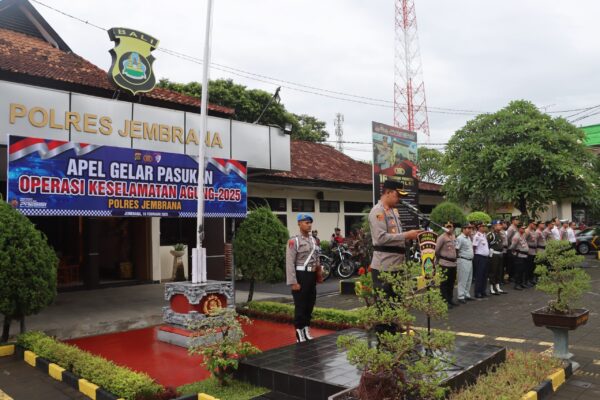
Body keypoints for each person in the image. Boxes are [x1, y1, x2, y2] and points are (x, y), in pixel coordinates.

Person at [368, 180, 420, 334]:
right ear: (389, 192)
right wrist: (406, 235)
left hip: (397, 264)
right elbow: (381, 238)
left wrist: (409, 237)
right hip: (384, 266)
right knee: (384, 304)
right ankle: (383, 338)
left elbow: (396, 236)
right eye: (398, 195)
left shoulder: (393, 211)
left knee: (396, 300)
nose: (399, 199)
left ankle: (395, 331)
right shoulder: (377, 212)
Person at [286, 213, 320, 343]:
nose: (309, 224)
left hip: (311, 275)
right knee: (300, 305)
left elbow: (317, 258)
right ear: (299, 224)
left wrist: (318, 274)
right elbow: (290, 263)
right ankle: (299, 330)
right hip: (300, 275)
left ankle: (306, 327)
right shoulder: (294, 241)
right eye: (306, 222)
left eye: (310, 222)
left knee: (310, 303)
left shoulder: (314, 240)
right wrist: (293, 282)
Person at [435, 222, 458, 307]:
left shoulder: (453, 236)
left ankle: (450, 299)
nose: (449, 228)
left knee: (451, 283)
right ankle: (444, 301)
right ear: (444, 228)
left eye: (450, 227)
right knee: (444, 283)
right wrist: (439, 259)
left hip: (453, 263)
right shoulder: (442, 237)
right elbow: (436, 250)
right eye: (447, 227)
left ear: (453, 228)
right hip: (444, 263)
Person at [455, 223, 474, 303]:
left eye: (470, 228)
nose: (470, 230)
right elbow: (456, 249)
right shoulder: (460, 238)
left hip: (469, 260)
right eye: (468, 228)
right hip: (463, 260)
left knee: (469, 278)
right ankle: (461, 296)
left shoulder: (468, 237)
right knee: (462, 279)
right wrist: (458, 259)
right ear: (464, 229)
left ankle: (466, 294)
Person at [487, 220, 507, 295]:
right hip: (494, 254)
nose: (500, 226)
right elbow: (488, 245)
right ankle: (492, 288)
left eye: (500, 225)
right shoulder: (490, 235)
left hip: (500, 254)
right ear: (494, 226)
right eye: (498, 225)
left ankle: (497, 287)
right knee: (493, 271)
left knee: (499, 271)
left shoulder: (499, 234)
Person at [472, 222, 490, 298]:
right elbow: (474, 247)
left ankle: (483, 291)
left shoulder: (484, 235)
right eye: (482, 226)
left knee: (484, 275)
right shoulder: (477, 236)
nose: (484, 227)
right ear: (478, 227)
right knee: (479, 275)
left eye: (484, 226)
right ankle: (477, 292)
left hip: (485, 257)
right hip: (479, 257)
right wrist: (475, 256)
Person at [509, 223, 529, 290]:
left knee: (523, 270)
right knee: (518, 271)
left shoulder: (522, 235)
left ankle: (521, 283)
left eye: (524, 228)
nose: (524, 229)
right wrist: (515, 252)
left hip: (524, 256)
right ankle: (517, 285)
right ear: (518, 229)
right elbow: (512, 246)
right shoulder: (516, 236)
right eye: (522, 228)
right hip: (519, 256)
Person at [505, 216, 520, 282]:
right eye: (516, 220)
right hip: (511, 248)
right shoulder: (511, 228)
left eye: (518, 220)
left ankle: (512, 276)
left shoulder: (516, 227)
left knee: (514, 263)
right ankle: (509, 277)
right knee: (510, 264)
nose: (518, 221)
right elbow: (507, 238)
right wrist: (509, 246)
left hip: (515, 248)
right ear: (513, 221)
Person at [524, 220, 538, 287]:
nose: (535, 225)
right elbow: (524, 240)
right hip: (529, 251)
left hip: (534, 251)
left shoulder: (533, 231)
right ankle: (526, 280)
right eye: (533, 224)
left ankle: (531, 279)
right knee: (528, 267)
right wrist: (526, 249)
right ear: (530, 224)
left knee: (532, 266)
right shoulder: (527, 231)